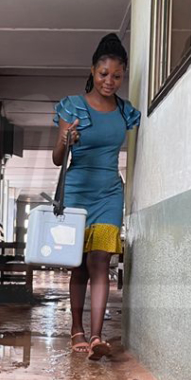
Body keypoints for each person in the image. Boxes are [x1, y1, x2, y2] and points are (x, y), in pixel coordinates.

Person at [52, 33, 141, 360]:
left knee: (101, 260)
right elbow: (57, 158)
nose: (110, 81)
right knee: (80, 266)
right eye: (104, 74)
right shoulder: (71, 106)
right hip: (77, 191)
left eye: (117, 76)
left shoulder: (125, 112)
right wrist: (67, 138)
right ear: (92, 71)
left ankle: (96, 337)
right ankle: (76, 328)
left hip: (108, 193)